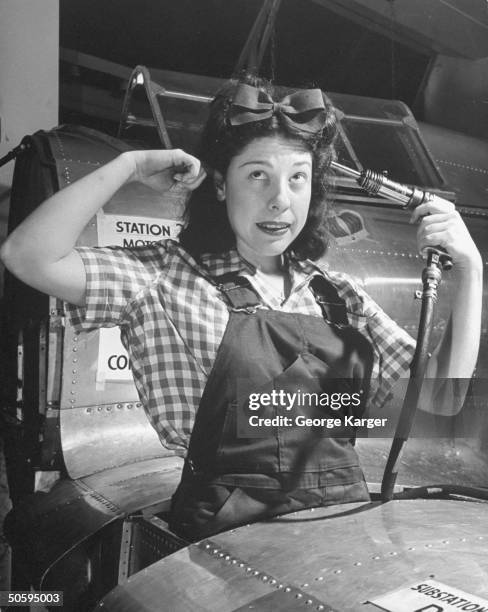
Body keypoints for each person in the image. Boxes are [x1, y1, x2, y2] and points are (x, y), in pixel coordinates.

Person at [0, 76, 482, 541]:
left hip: (340, 528)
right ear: (220, 185)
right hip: (226, 541)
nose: (279, 201)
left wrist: (471, 267)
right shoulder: (161, 278)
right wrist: (127, 166)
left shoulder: (338, 296)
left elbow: (442, 396)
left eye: (298, 178)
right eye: (258, 176)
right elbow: (28, 255)